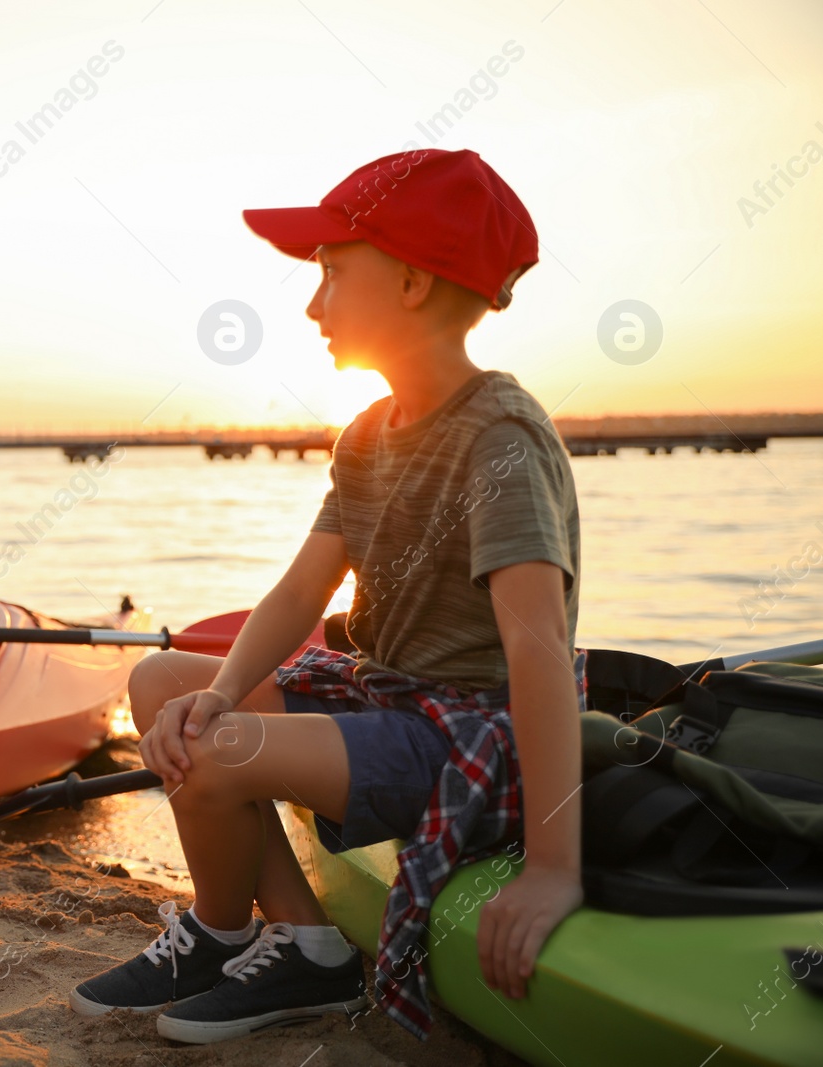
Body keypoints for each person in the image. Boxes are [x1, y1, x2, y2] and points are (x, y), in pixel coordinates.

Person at [69, 147, 585, 1044]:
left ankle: (288, 949)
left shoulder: (499, 437)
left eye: (333, 276)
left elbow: (539, 649)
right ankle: (261, 932)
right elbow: (303, 586)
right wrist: (219, 692)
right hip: (382, 695)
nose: (312, 306)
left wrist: (551, 867)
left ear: (414, 281)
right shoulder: (365, 434)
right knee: (163, 686)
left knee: (217, 749)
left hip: (464, 736)